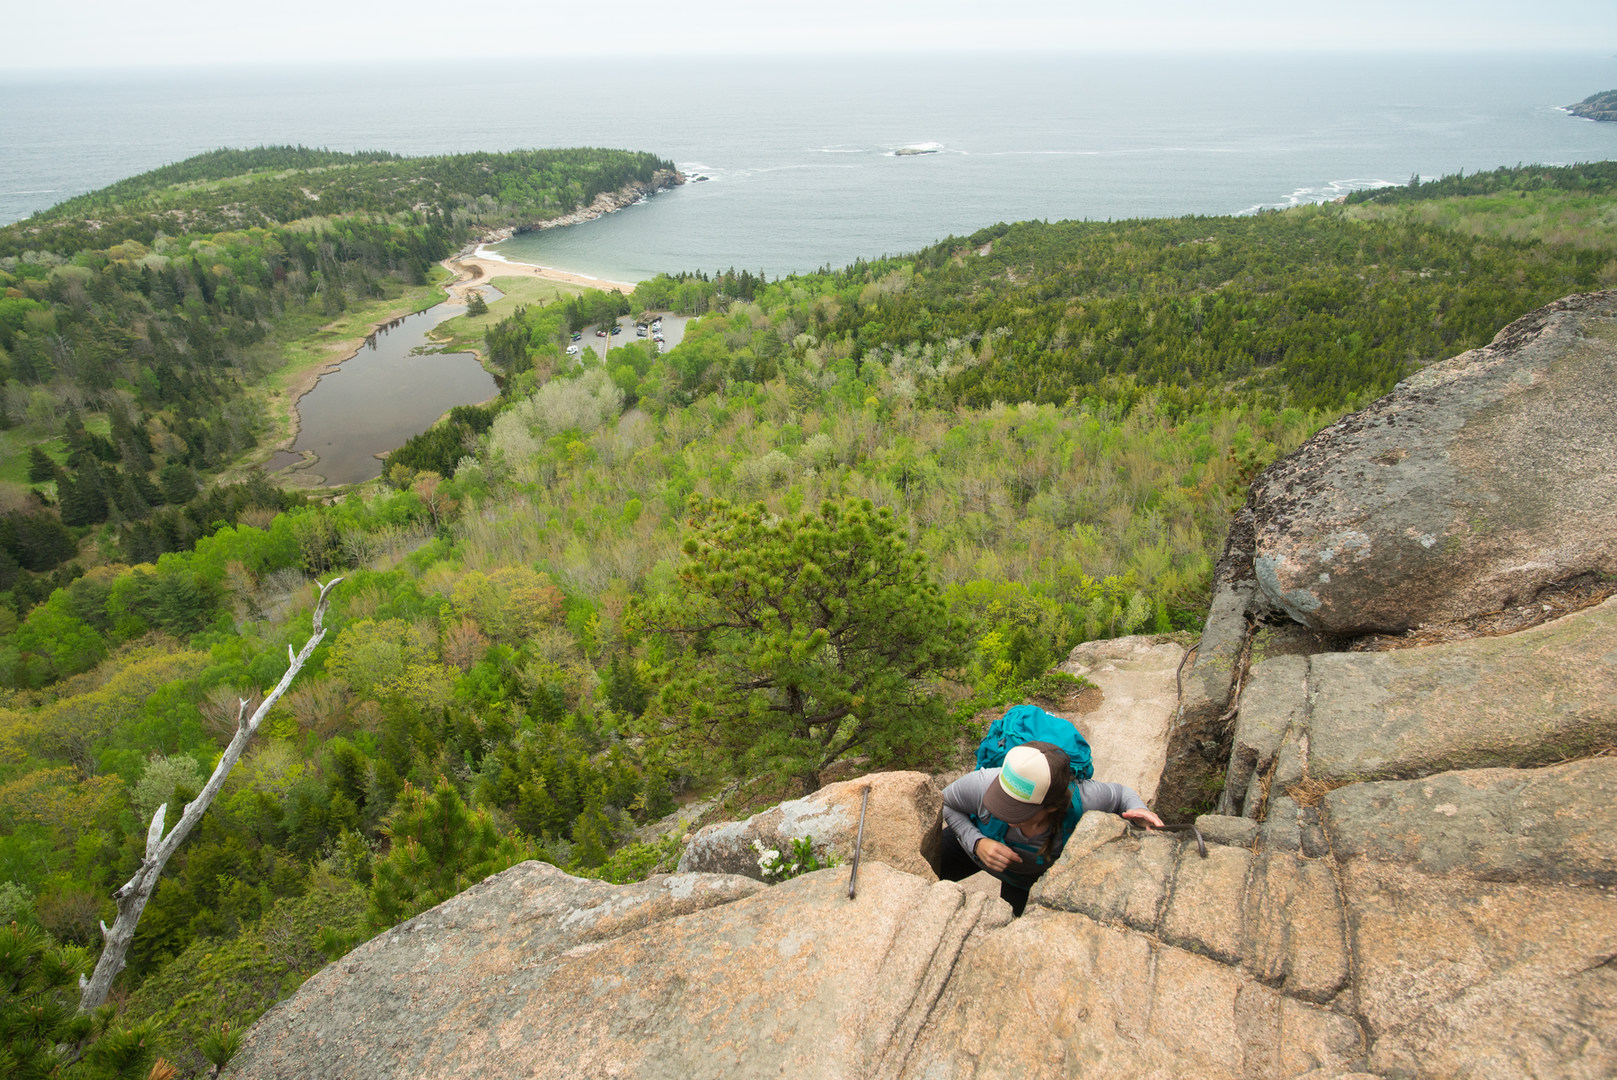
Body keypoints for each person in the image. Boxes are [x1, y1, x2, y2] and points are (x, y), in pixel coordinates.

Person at [939, 740, 1164, 916]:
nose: (1002, 811)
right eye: (1002, 798)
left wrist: (1138, 810)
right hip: (971, 847)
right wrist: (976, 842)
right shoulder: (983, 783)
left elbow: (1121, 795)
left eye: (1016, 808)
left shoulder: (1083, 801)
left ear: (1052, 807)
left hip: (1024, 883)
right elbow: (944, 801)